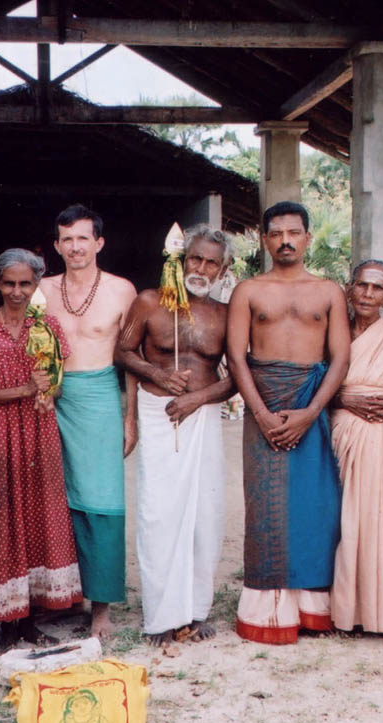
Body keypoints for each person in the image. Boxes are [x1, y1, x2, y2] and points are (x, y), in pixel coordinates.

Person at [227, 201, 349, 645]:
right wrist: (259, 412)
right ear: (264, 240)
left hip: (310, 405)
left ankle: (312, 610)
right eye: (276, 234)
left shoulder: (328, 291)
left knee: (315, 505)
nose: (285, 241)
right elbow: (236, 356)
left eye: (294, 233)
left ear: (308, 238)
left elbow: (340, 358)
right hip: (263, 402)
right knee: (266, 505)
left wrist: (311, 412)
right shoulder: (248, 290)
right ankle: (268, 612)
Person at [0, 248, 83, 654]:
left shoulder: (48, 327)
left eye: (25, 283)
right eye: (8, 283)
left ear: (37, 284)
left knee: (36, 517)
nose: (16, 291)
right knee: (2, 521)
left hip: (38, 431)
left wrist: (45, 389)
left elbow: (57, 384)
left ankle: (29, 624)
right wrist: (25, 390)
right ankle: (6, 627)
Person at [116, 225, 234, 646]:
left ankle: (194, 611)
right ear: (181, 261)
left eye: (211, 262)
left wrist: (196, 398)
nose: (201, 268)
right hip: (157, 412)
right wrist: (157, 374)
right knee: (159, 514)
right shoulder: (149, 303)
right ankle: (162, 616)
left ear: (224, 269)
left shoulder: (224, 314)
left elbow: (236, 377)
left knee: (204, 515)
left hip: (200, 415)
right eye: (195, 259)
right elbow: (124, 352)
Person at [38, 204, 137, 639]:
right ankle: (63, 595)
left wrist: (128, 416)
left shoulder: (122, 291)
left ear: (99, 242)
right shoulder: (40, 289)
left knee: (101, 501)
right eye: (67, 239)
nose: (75, 247)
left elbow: (131, 359)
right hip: (47, 399)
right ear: (56, 245)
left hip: (99, 396)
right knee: (53, 498)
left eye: (83, 238)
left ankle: (101, 607)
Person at [329, 260, 383, 637]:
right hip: (344, 427)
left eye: (377, 288)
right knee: (347, 518)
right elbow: (315, 385)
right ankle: (345, 611)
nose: (367, 294)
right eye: (362, 285)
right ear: (349, 288)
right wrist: (345, 398)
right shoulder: (330, 331)